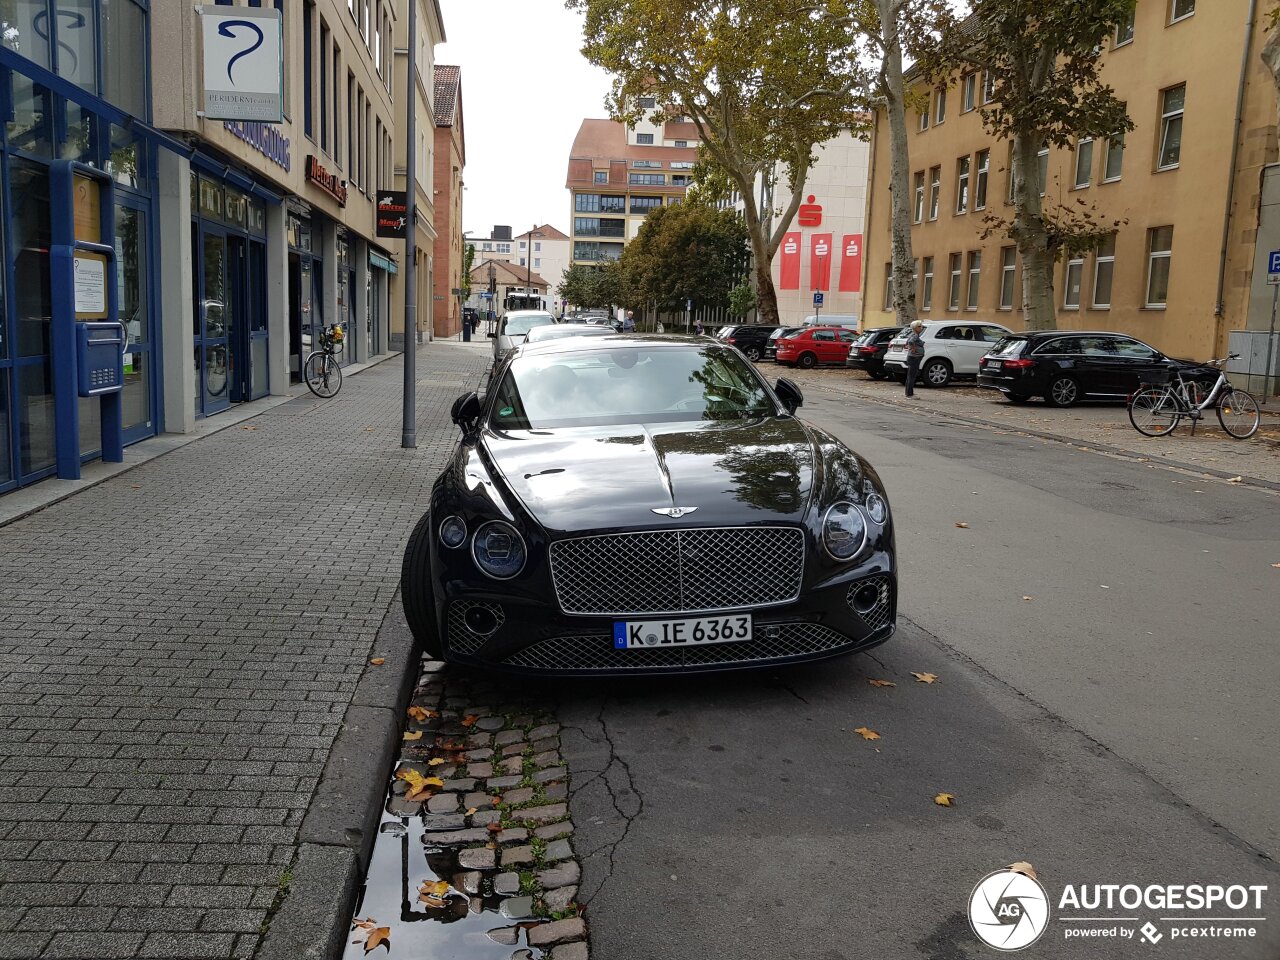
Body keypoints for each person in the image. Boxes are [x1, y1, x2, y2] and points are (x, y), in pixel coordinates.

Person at [904, 320, 925, 397]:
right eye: (919, 326)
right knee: (911, 376)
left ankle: (909, 392)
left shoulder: (914, 335)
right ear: (915, 328)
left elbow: (908, 342)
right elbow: (910, 342)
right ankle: (909, 394)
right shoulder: (914, 335)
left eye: (921, 326)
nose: (921, 328)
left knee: (910, 376)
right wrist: (913, 348)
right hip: (914, 358)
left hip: (914, 357)